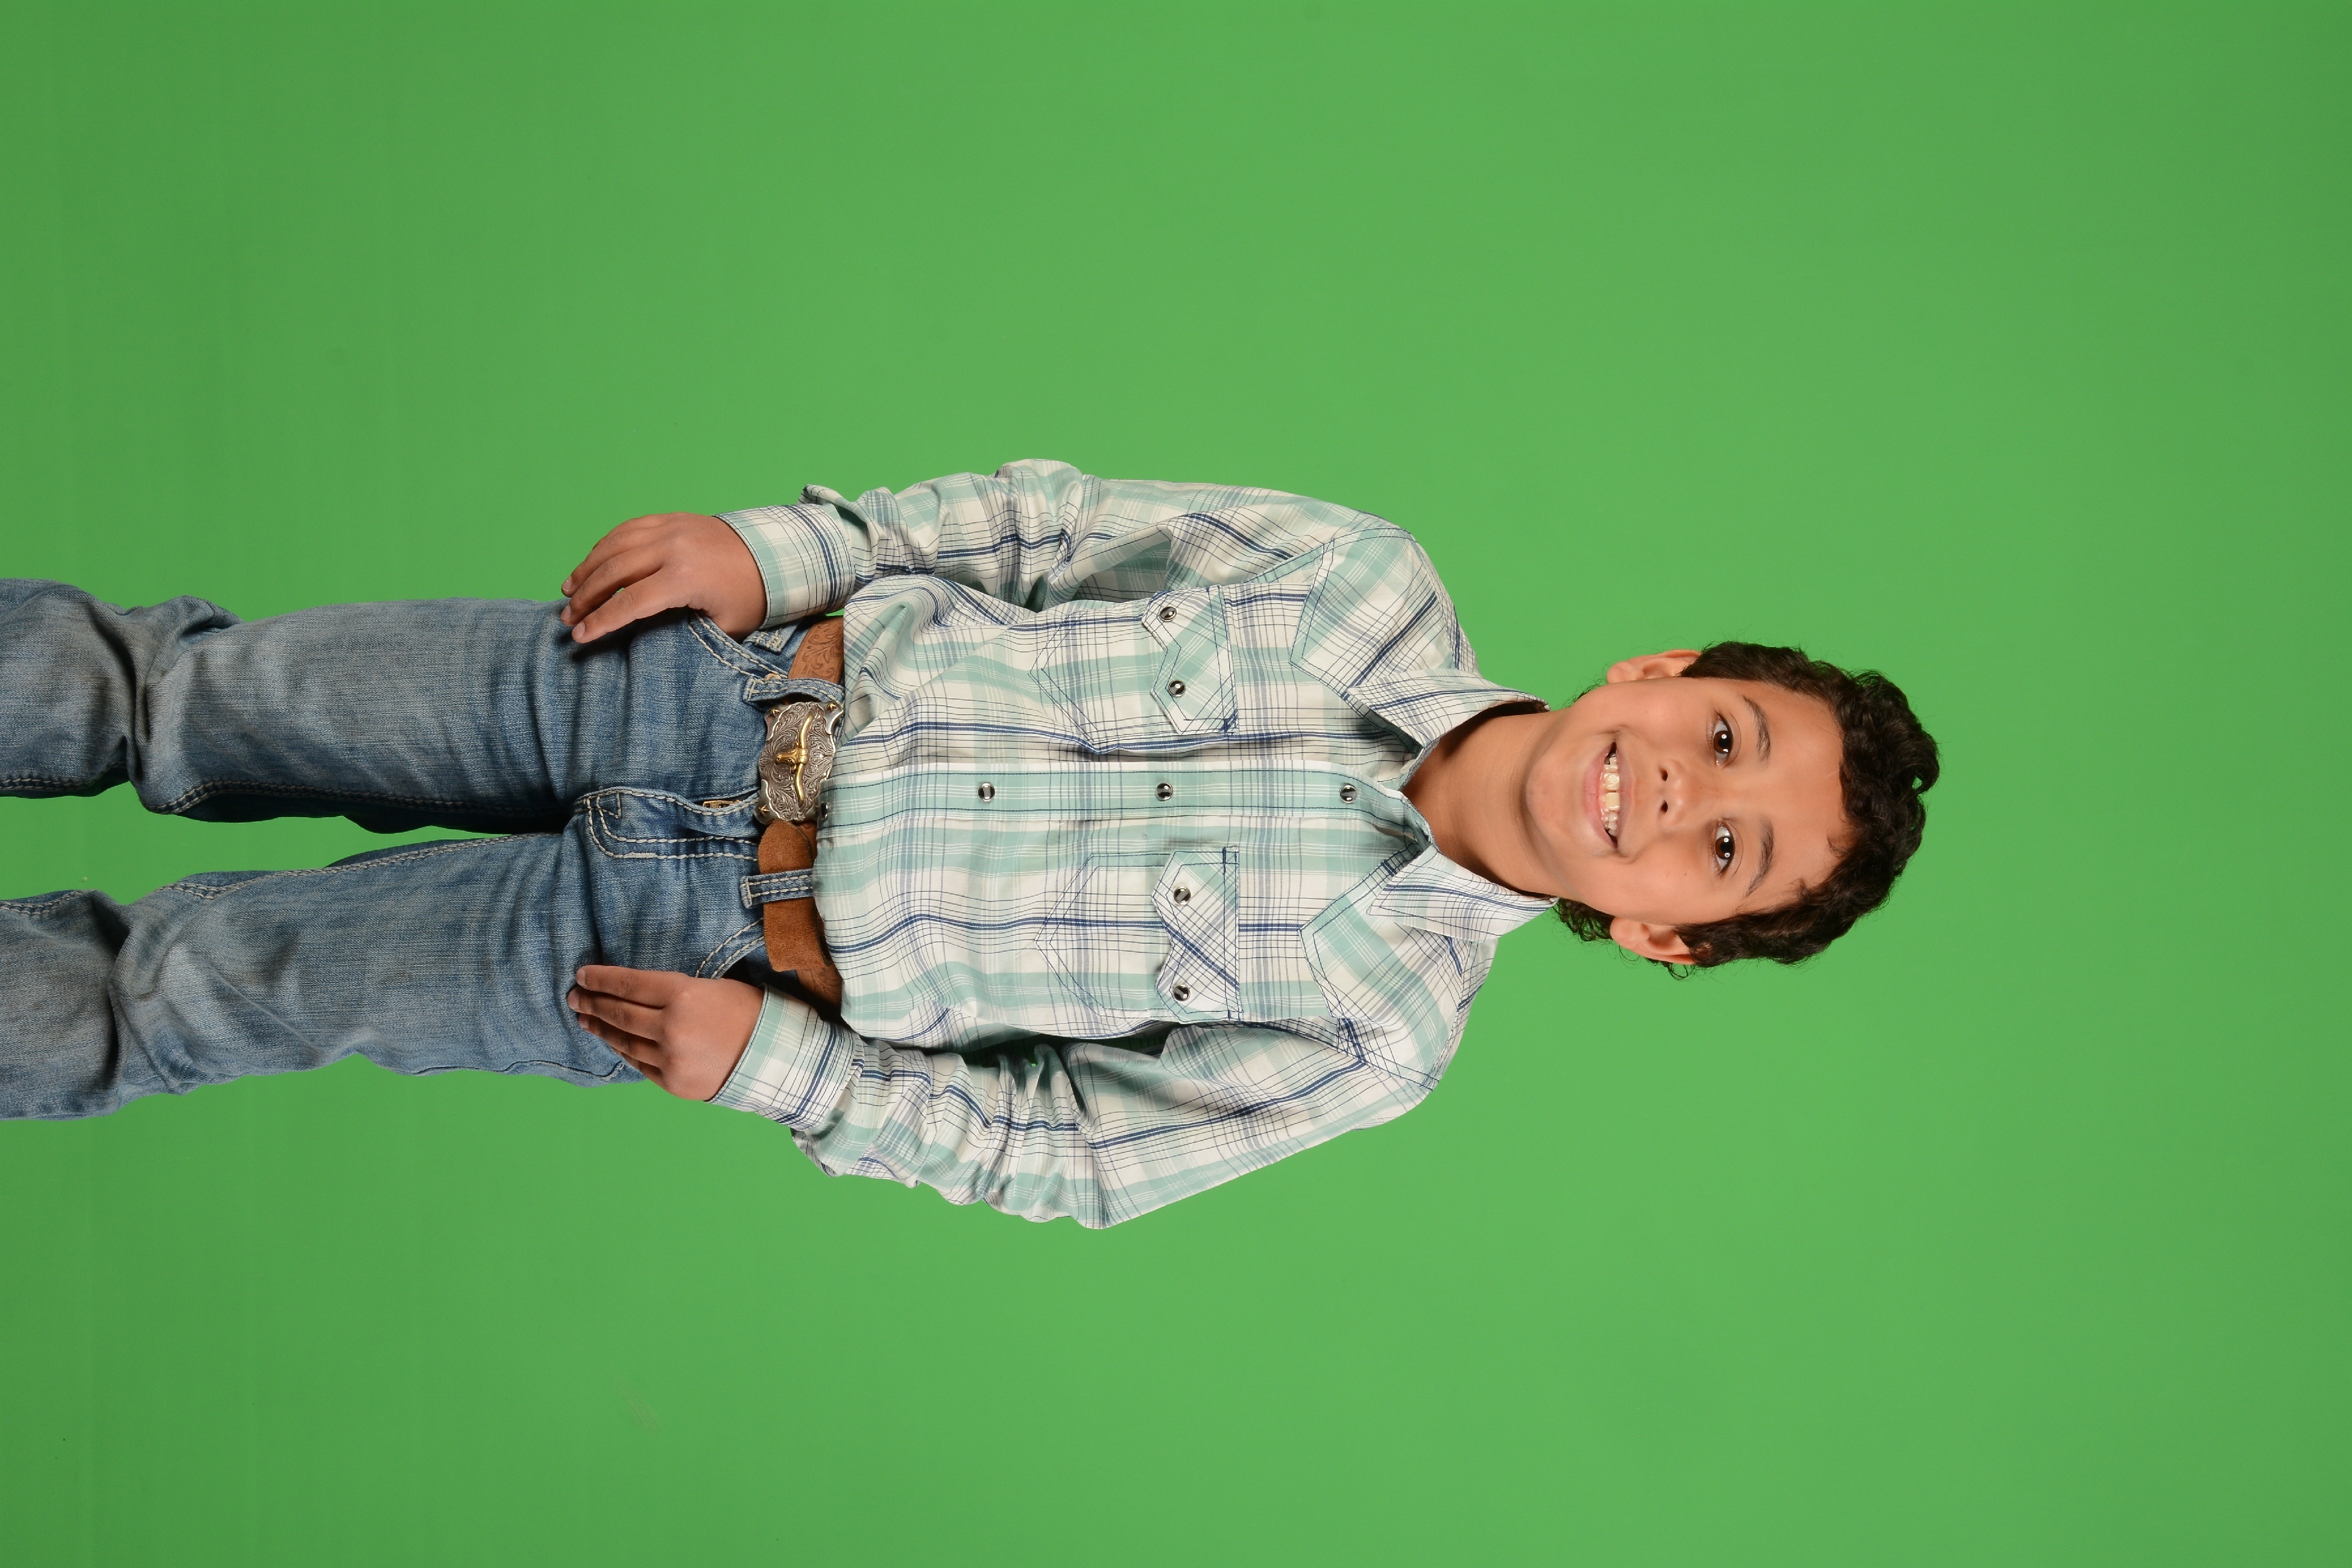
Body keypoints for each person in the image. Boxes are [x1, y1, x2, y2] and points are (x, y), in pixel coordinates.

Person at [0, 461, 1938, 1226]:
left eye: (1724, 853)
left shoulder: (1380, 1034)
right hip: (688, 688)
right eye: (1720, 737)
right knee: (191, 695)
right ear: (1659, 668)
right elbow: (1043, 528)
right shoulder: (1359, 579)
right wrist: (783, 551)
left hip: (685, 956)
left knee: (188, 996)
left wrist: (785, 1075)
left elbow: (1066, 1152)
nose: (1677, 794)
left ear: (1666, 937)